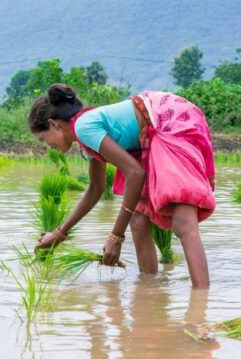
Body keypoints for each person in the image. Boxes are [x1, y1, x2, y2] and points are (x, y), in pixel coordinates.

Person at [29, 84, 216, 288]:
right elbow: (95, 189)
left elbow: (135, 173)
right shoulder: (84, 132)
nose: (47, 145)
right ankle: (149, 291)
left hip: (171, 119)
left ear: (53, 124)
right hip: (152, 129)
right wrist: (58, 234)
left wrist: (116, 238)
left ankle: (200, 304)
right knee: (138, 221)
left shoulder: (83, 127)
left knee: (183, 222)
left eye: (43, 138)